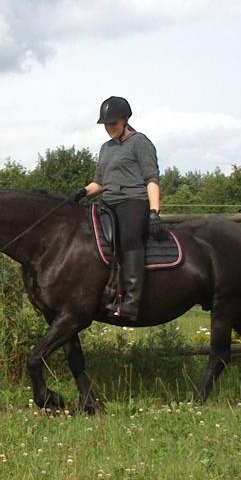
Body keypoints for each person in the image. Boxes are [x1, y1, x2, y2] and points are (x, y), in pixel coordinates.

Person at [72, 96, 164, 320]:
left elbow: (151, 178)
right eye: (106, 124)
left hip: (133, 200)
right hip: (108, 202)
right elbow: (99, 183)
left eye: (113, 123)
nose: (109, 128)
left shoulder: (140, 142)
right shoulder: (106, 148)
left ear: (125, 120)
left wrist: (154, 211)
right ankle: (104, 294)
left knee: (129, 237)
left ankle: (132, 301)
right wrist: (81, 193)